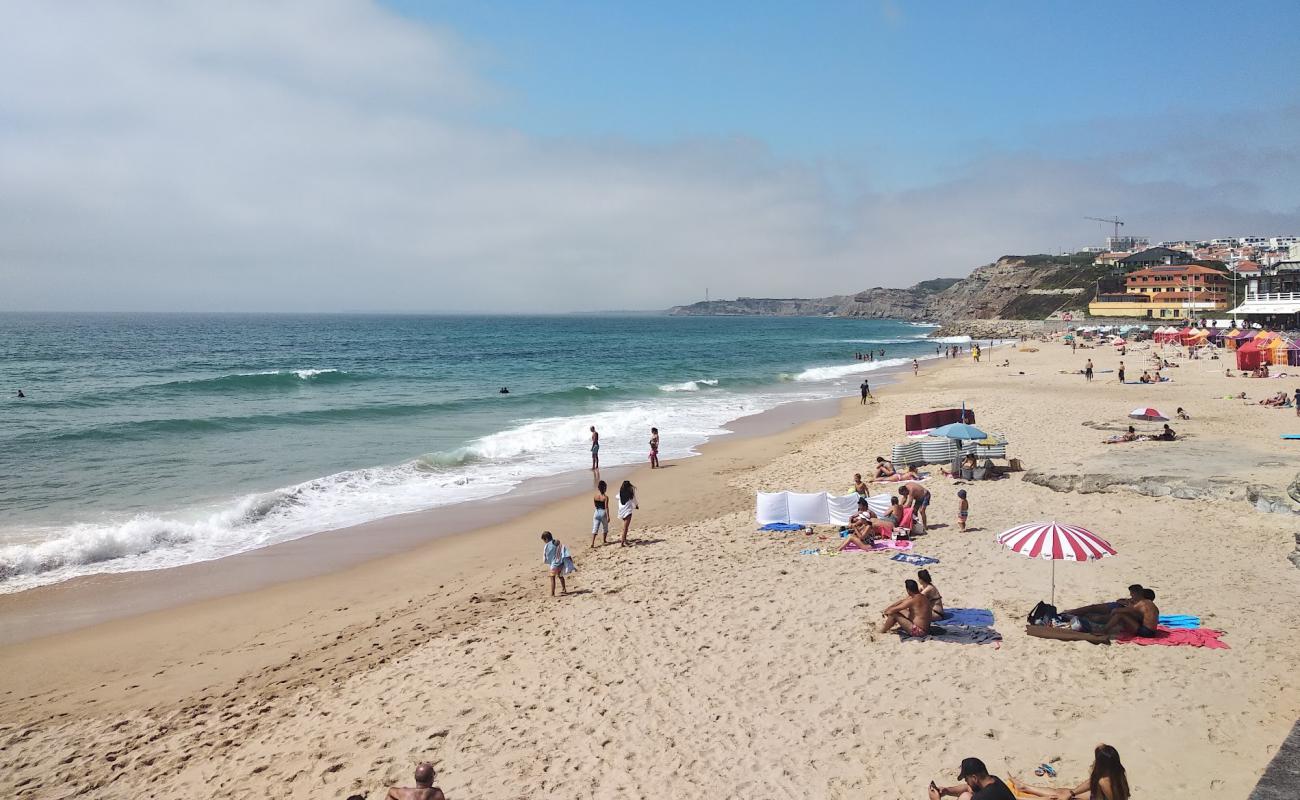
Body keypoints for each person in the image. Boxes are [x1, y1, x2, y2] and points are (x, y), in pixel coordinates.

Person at [1013, 743, 1130, 800]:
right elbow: (1091, 782)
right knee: (1063, 792)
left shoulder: (1105, 781)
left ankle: (1025, 789)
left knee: (1058, 797)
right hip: (1096, 796)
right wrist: (1072, 792)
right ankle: (1025, 787)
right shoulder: (1114, 769)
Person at [929, 757, 1015, 800]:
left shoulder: (983, 797)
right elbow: (968, 788)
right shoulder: (994, 780)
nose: (966, 782)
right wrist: (946, 791)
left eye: (966, 779)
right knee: (966, 795)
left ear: (974, 778)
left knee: (964, 797)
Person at [541, 532, 574, 597]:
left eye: (544, 540)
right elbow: (565, 551)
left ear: (546, 539)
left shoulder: (547, 545)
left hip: (554, 565)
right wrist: (570, 560)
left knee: (552, 578)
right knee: (560, 576)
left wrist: (546, 561)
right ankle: (564, 589)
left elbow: (546, 555)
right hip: (561, 563)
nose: (544, 542)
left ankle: (552, 593)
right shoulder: (558, 543)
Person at [617, 480, 638, 547]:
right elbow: (634, 500)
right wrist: (636, 506)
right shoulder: (630, 493)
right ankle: (622, 542)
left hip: (621, 511)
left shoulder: (620, 493)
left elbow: (616, 497)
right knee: (625, 528)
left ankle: (625, 540)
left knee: (625, 527)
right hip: (627, 511)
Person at [592, 480, 611, 546]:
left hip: (596, 512)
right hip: (603, 512)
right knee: (605, 527)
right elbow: (606, 507)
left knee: (595, 527)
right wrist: (608, 516)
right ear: (605, 488)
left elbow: (595, 505)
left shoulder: (595, 496)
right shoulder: (605, 497)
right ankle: (604, 540)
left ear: (598, 488)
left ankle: (592, 543)